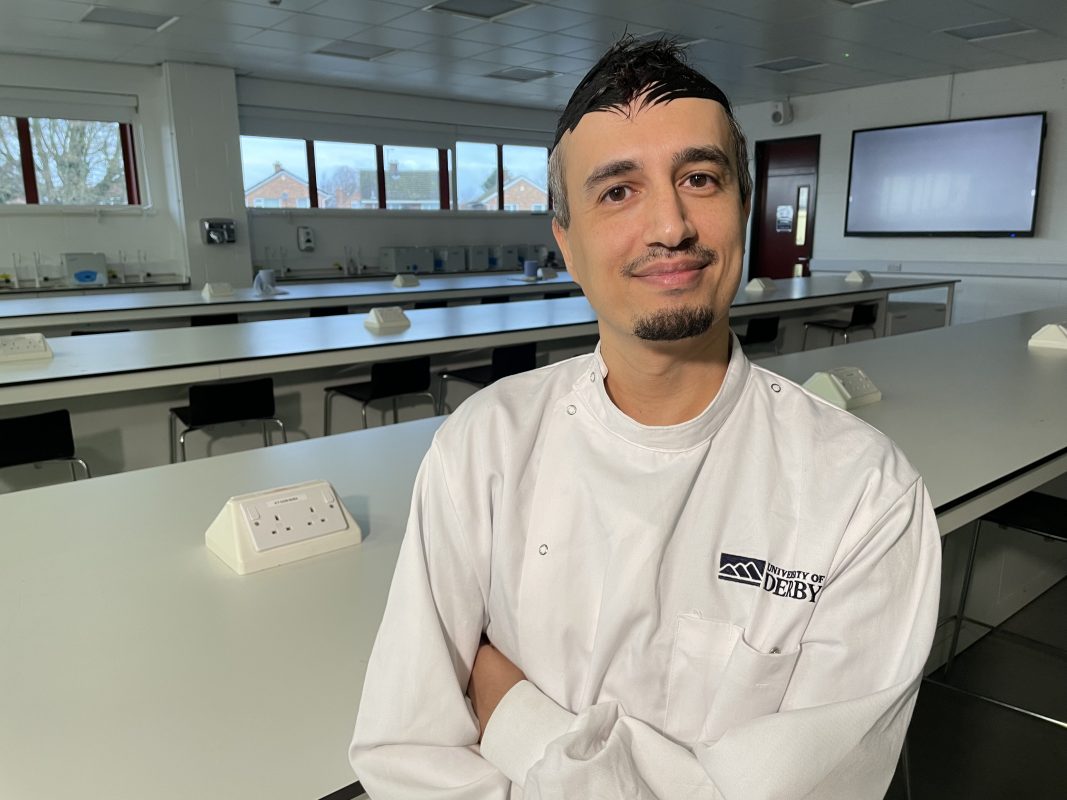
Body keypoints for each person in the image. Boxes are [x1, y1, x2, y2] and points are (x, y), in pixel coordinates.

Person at [350, 36, 940, 799]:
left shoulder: (864, 495)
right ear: (566, 241)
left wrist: (509, 710)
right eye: (616, 191)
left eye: (699, 178)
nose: (670, 225)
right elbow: (408, 750)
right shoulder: (484, 445)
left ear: (741, 208)